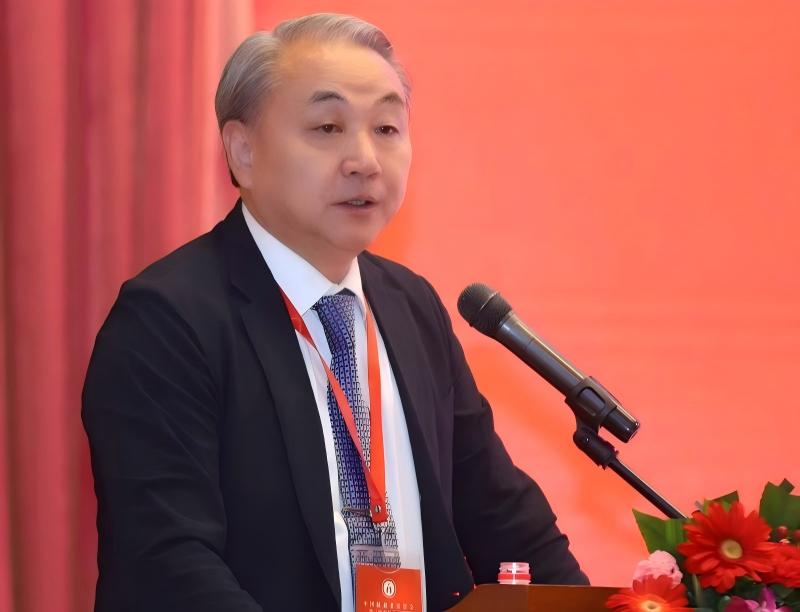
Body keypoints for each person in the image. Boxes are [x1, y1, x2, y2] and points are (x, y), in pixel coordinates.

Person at [82, 13, 588, 612]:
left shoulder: (411, 306)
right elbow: (167, 564)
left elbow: (505, 520)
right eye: (328, 127)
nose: (365, 159)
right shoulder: (167, 321)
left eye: (387, 127)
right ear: (243, 151)